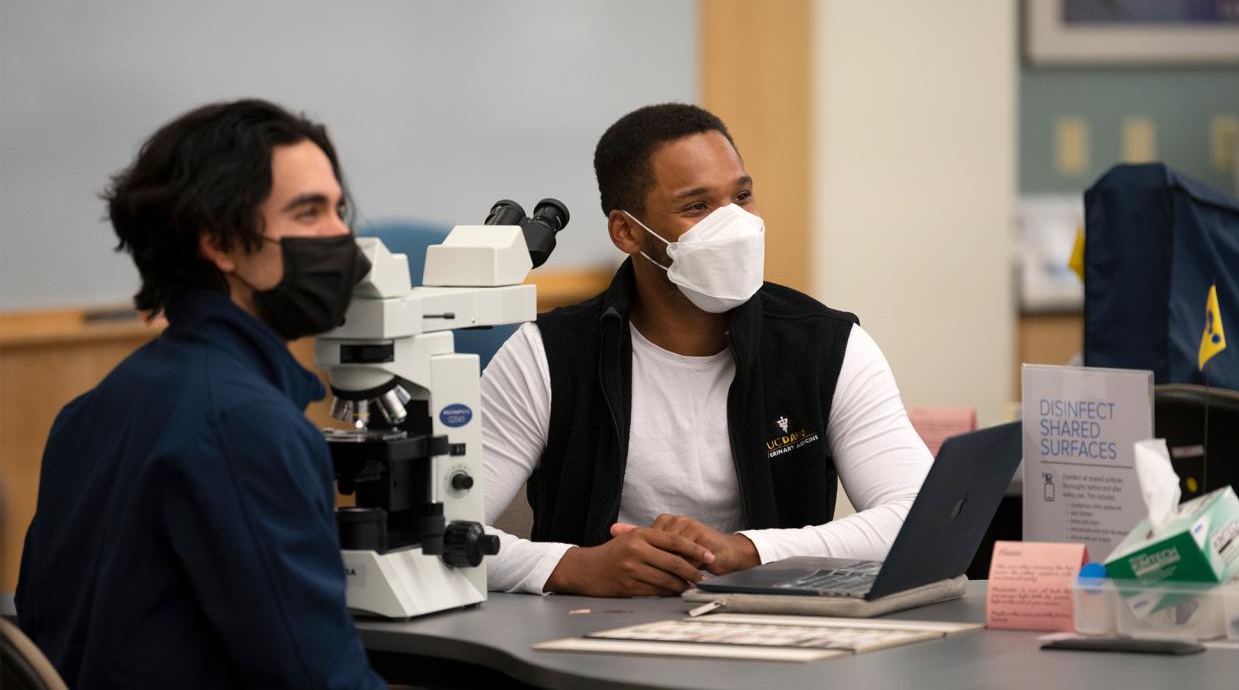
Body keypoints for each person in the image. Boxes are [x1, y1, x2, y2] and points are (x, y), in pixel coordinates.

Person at [481, 103, 934, 596]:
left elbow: (918, 516)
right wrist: (572, 567)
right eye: (697, 207)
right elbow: (429, 537)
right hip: (586, 644)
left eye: (742, 196)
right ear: (627, 231)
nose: (734, 224)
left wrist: (750, 552)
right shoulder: (546, 355)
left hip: (775, 641)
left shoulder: (826, 346)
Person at [16, 99, 385, 689]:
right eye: (309, 212)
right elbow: (316, 678)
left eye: (340, 209)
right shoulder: (246, 427)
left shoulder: (90, 410)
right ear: (222, 244)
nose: (342, 235)